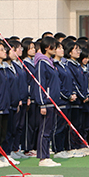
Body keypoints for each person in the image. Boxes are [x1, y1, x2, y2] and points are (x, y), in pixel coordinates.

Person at [34, 37, 61, 167]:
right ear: (46, 48)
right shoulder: (41, 63)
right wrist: (42, 103)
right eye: (53, 47)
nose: (55, 49)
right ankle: (42, 157)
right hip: (46, 101)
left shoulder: (51, 63)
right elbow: (40, 83)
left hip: (53, 101)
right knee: (44, 130)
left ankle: (46, 154)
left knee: (49, 130)